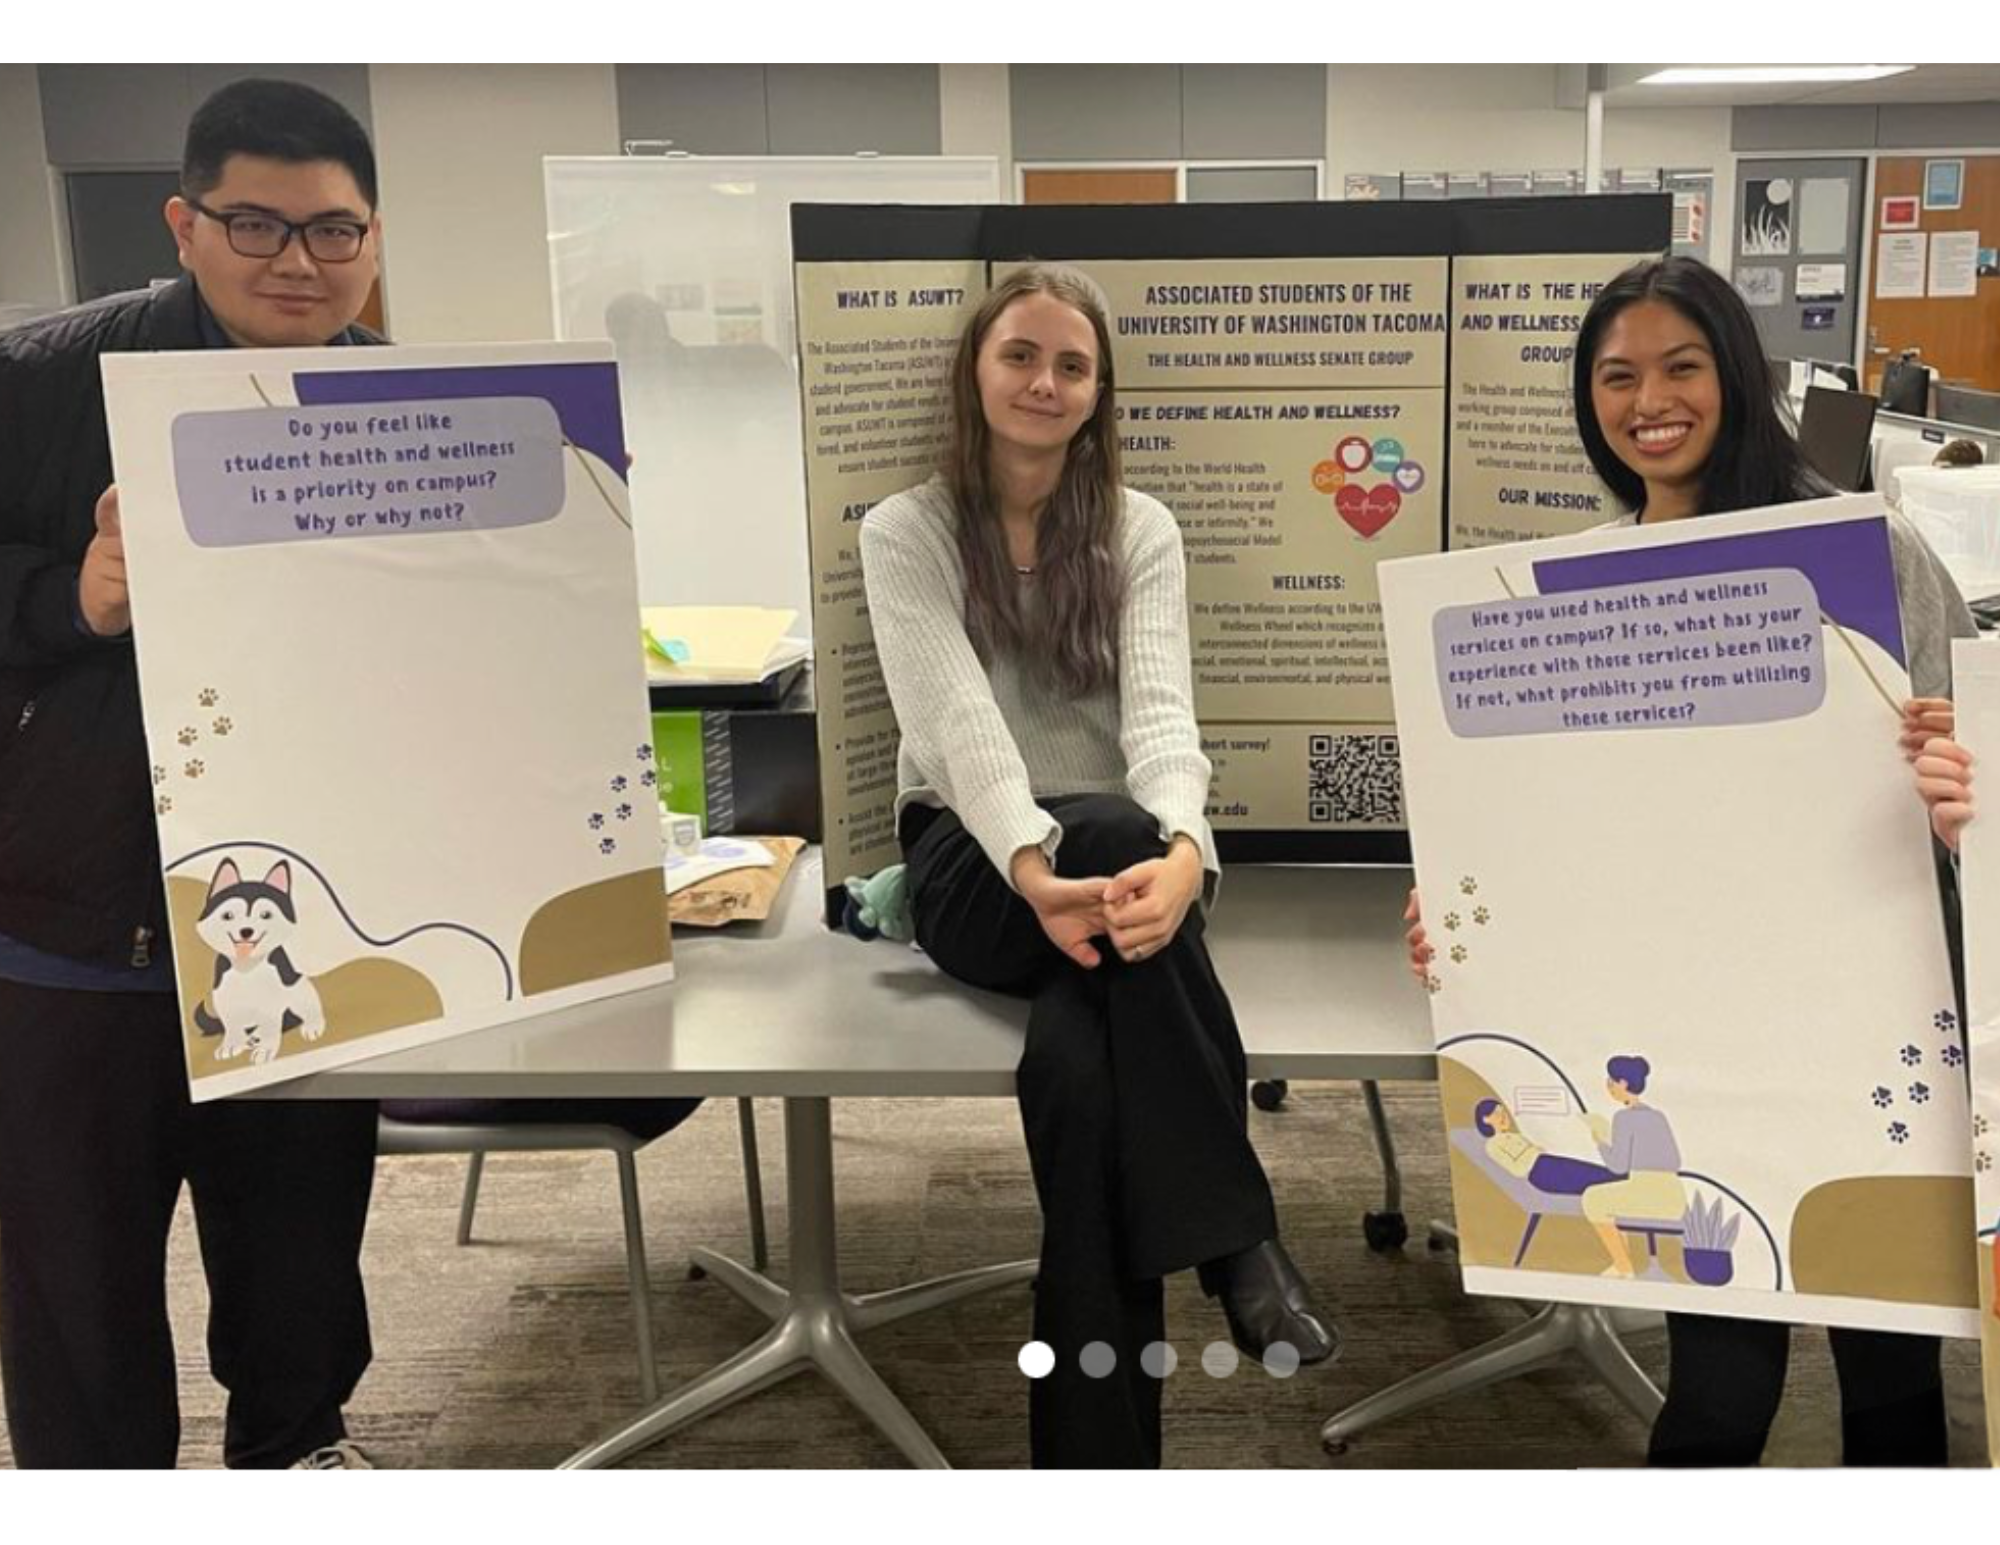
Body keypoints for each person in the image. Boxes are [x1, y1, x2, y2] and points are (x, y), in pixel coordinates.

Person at [1407, 255, 1972, 1466]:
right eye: (1616, 378)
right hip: (1691, 1039)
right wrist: (1462, 915)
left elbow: (1972, 779)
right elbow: (1552, 830)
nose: (1647, 401)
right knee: (1717, 1392)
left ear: (1735, 377)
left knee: (1889, 1379)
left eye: (1679, 367)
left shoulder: (1865, 551)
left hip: (1867, 1027)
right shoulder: (1571, 586)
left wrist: (1960, 802)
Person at [860, 263, 1336, 1469]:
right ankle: (1234, 1237)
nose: (1044, 382)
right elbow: (960, 731)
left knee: (1082, 1074)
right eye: (1020, 355)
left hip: (1117, 877)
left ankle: (1092, 1467)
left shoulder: (1138, 528)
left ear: (1098, 390)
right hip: (973, 866)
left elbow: (1164, 718)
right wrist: (1035, 868)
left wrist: (1183, 858)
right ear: (974, 371)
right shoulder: (905, 530)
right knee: (1111, 834)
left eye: (1071, 365)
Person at [0, 78, 387, 1469]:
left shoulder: (402, 405)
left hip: (303, 918)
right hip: (72, 929)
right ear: (183, 224)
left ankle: (298, 1448)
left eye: (333, 231)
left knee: (298, 1252)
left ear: (371, 234)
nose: (299, 262)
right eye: (255, 224)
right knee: (78, 1287)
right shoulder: (39, 381)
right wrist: (73, 597)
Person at [1578, 1056, 1685, 1279]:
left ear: (1623, 1083)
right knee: (1611, 1199)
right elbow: (1675, 1160)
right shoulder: (1657, 1116)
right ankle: (1624, 1266)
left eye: (1611, 1083)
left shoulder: (1623, 1118)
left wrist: (1600, 1143)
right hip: (1674, 1196)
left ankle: (1623, 1266)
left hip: (1647, 1193)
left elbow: (1618, 1166)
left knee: (1592, 1199)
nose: (1608, 1087)